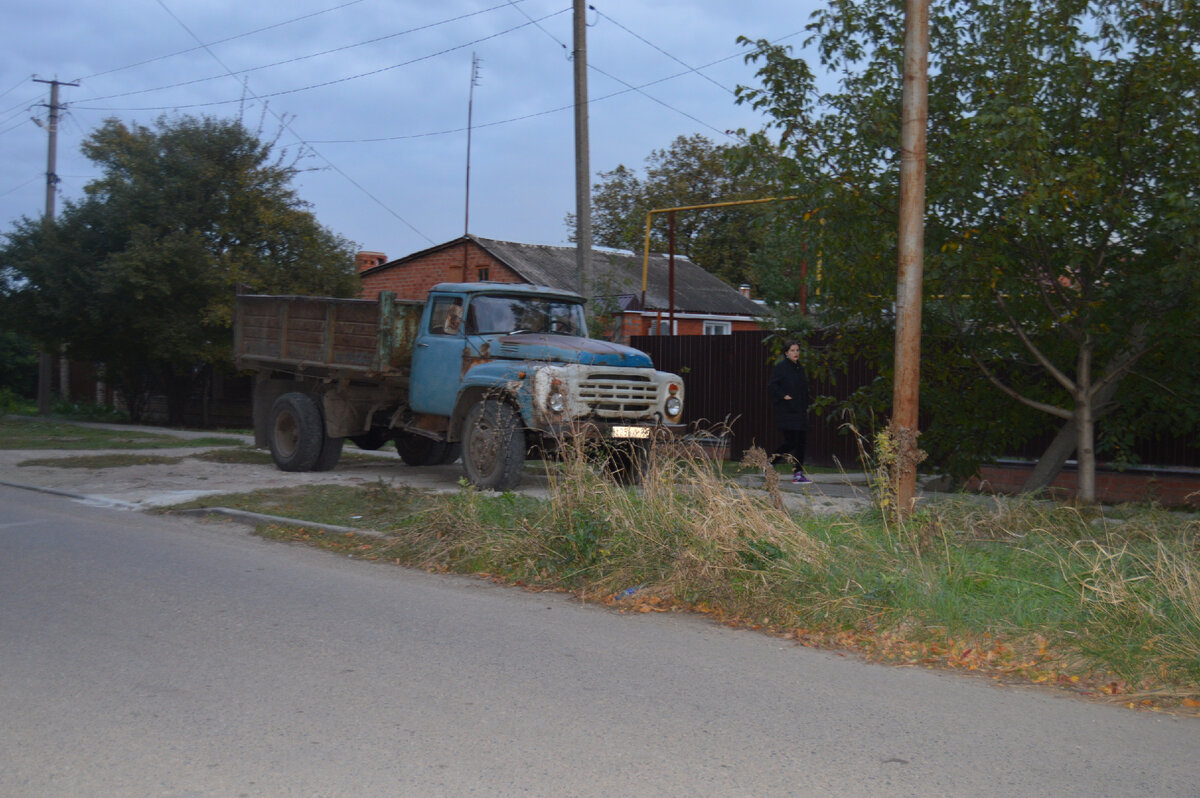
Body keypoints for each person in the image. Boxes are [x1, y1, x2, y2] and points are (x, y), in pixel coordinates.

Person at [767, 340, 811, 483]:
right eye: (792, 350)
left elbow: (804, 389)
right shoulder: (781, 368)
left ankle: (798, 473)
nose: (796, 353)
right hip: (787, 411)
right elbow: (772, 386)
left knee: (801, 442)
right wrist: (784, 396)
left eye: (797, 350)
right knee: (791, 441)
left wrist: (806, 406)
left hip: (800, 411)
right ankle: (770, 463)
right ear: (786, 353)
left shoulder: (800, 368)